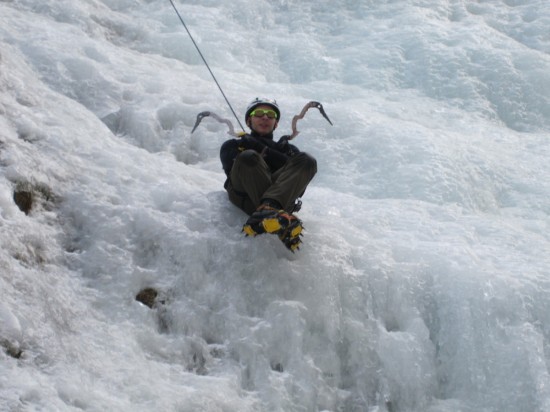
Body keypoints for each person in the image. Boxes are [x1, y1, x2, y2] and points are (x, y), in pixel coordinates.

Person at [219, 98, 317, 251]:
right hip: (246, 196)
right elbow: (234, 171)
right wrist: (255, 149)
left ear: (276, 123)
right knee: (248, 157)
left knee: (307, 160)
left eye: (270, 115)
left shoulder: (290, 150)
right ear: (248, 120)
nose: (265, 117)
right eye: (258, 113)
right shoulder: (234, 145)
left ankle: (271, 210)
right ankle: (274, 216)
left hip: (281, 203)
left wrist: (263, 149)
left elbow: (298, 184)